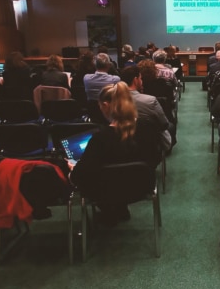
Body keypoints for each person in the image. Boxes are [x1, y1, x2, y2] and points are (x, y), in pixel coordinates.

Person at [69, 82, 161, 226]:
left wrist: (72, 169)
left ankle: (111, 210)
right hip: (141, 186)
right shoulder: (148, 126)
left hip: (105, 190)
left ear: (105, 105)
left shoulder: (100, 137)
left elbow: (80, 175)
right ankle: (118, 208)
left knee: (88, 175)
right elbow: (155, 158)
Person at [120, 65, 174, 149]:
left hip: (121, 141)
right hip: (148, 144)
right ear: (135, 80)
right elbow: (164, 123)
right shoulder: (150, 101)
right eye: (141, 78)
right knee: (170, 126)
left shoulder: (113, 100)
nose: (142, 81)